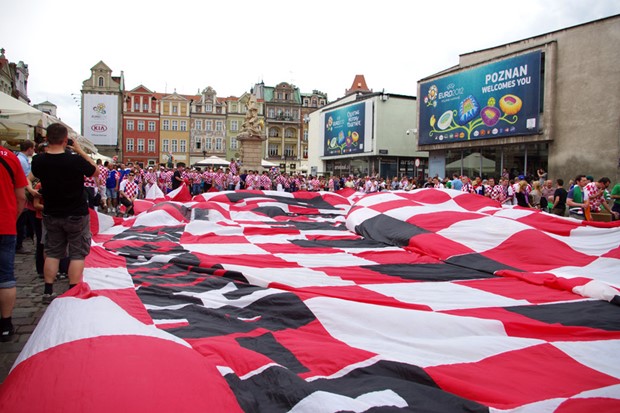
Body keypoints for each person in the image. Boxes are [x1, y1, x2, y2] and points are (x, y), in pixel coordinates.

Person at [31, 123, 98, 303]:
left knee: (52, 252)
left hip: (51, 213)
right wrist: (78, 149)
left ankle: (48, 290)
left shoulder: (39, 161)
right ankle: (73, 290)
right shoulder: (75, 160)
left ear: (47, 139)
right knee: (77, 253)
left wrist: (32, 192)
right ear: (65, 139)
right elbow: (96, 171)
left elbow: (31, 177)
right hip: (76, 212)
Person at [0, 145, 28, 341]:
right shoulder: (10, 157)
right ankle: (6, 324)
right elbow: (21, 196)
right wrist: (14, 217)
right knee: (5, 277)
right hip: (5, 223)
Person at [15, 140, 36, 254]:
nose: (33, 151)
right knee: (21, 220)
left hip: (23, 191)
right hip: (22, 192)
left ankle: (19, 243)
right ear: (29, 148)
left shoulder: (21, 159)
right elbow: (25, 178)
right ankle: (18, 244)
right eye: (33, 148)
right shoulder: (22, 160)